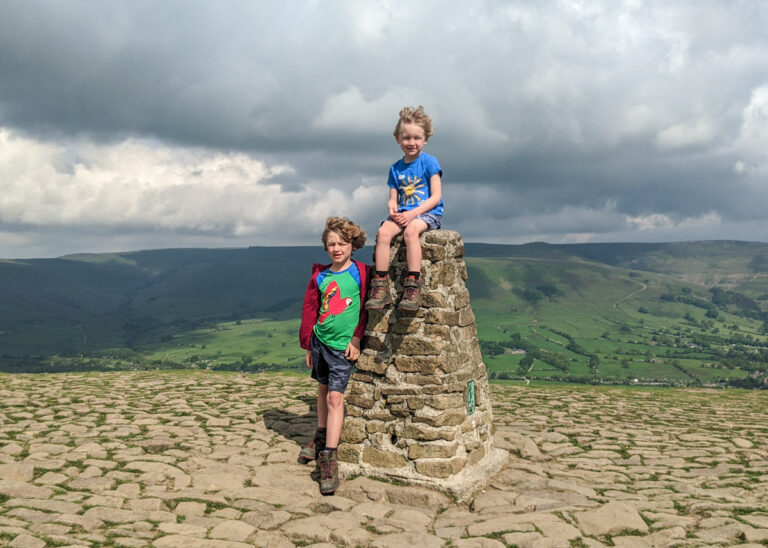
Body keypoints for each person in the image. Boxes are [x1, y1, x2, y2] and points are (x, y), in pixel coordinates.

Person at [298, 216, 370, 495]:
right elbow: (310, 310)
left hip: (343, 347)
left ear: (353, 244)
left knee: (335, 397)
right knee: (322, 390)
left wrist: (356, 337)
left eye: (342, 243)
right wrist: (307, 344)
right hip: (320, 341)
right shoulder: (321, 275)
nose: (336, 248)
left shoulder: (362, 273)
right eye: (331, 244)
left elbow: (366, 308)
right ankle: (319, 436)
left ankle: (329, 456)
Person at [366, 105, 443, 311]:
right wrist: (393, 210)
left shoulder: (429, 162)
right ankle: (380, 286)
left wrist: (413, 213)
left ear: (425, 139)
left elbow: (436, 197)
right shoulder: (395, 168)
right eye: (406, 137)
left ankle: (412, 285)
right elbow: (393, 198)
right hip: (404, 213)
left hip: (427, 214)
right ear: (397, 138)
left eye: (417, 138)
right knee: (383, 232)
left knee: (411, 233)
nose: (411, 142)